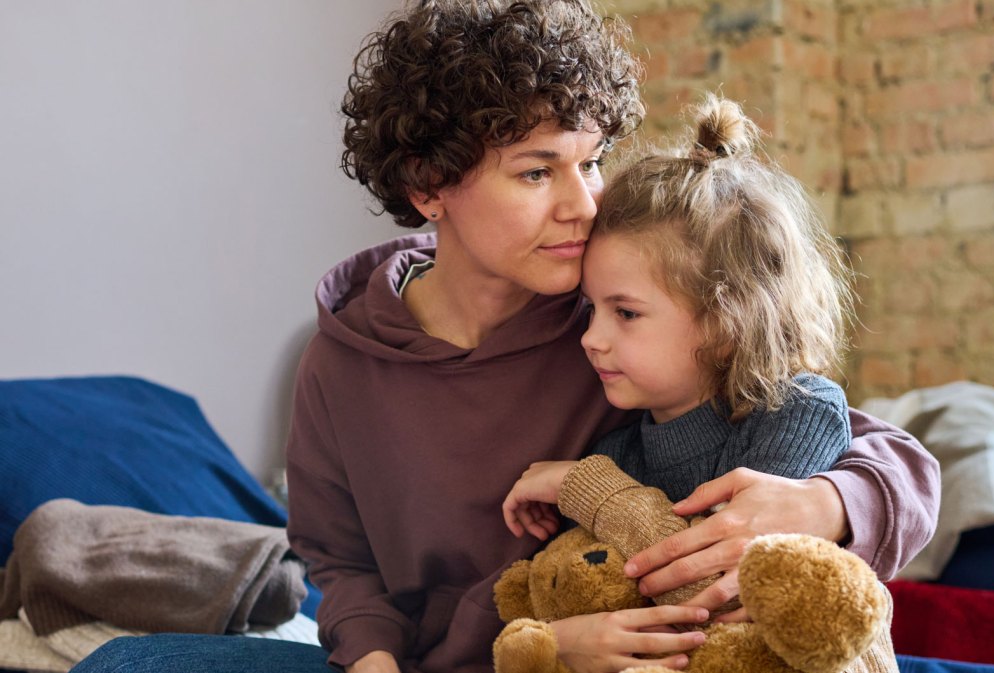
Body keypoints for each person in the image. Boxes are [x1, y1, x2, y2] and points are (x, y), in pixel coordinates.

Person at [71, 2, 939, 673]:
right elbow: (336, 559)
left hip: (625, 652)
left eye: (591, 160)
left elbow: (879, 450)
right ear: (429, 186)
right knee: (127, 662)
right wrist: (379, 660)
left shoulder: (615, 316)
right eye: (537, 171)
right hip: (457, 659)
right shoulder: (341, 359)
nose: (584, 203)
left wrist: (825, 503)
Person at [502, 96, 859, 621]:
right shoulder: (619, 451)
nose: (590, 338)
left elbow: (725, 590)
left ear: (724, 323)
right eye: (592, 309)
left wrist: (582, 487)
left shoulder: (799, 413)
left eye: (625, 313)